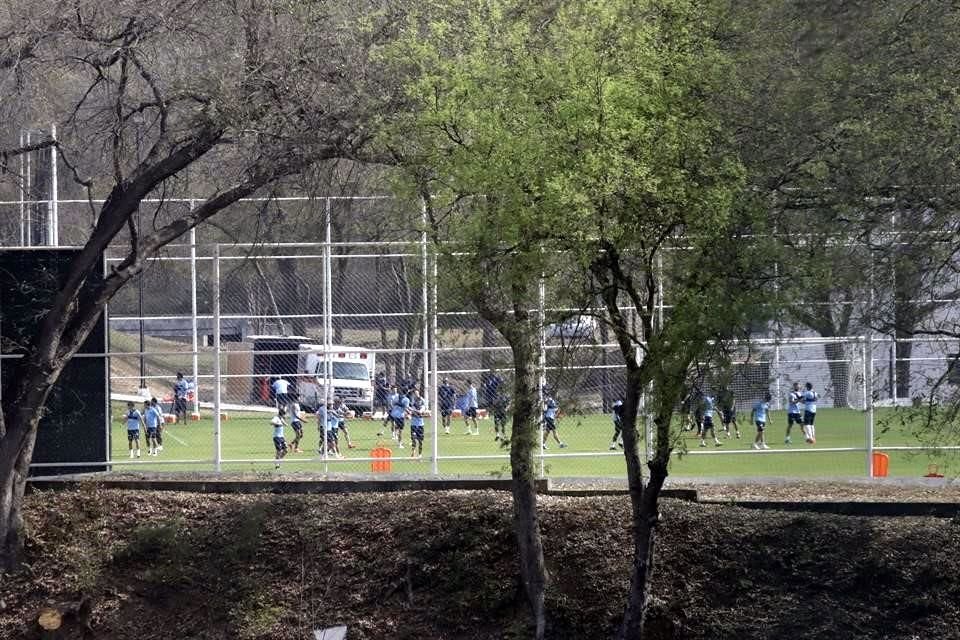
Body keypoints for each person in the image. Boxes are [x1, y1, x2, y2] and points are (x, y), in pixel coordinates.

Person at [409, 390, 426, 459]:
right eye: (415, 394)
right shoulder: (412, 402)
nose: (416, 395)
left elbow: (420, 412)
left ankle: (420, 454)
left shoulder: (422, 402)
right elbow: (411, 411)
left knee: (420, 441)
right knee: (413, 438)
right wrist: (413, 411)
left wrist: (414, 411)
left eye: (417, 394)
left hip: (420, 424)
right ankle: (413, 451)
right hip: (413, 424)